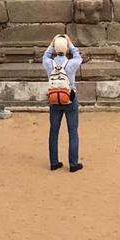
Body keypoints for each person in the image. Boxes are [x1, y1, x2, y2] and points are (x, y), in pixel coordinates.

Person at [42, 34, 84, 172]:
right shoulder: (71, 64)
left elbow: (45, 56)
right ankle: (73, 164)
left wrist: (52, 42)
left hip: (54, 100)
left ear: (54, 49)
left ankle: (54, 162)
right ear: (66, 50)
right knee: (73, 131)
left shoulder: (49, 64)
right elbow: (78, 56)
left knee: (54, 131)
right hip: (69, 99)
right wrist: (70, 43)